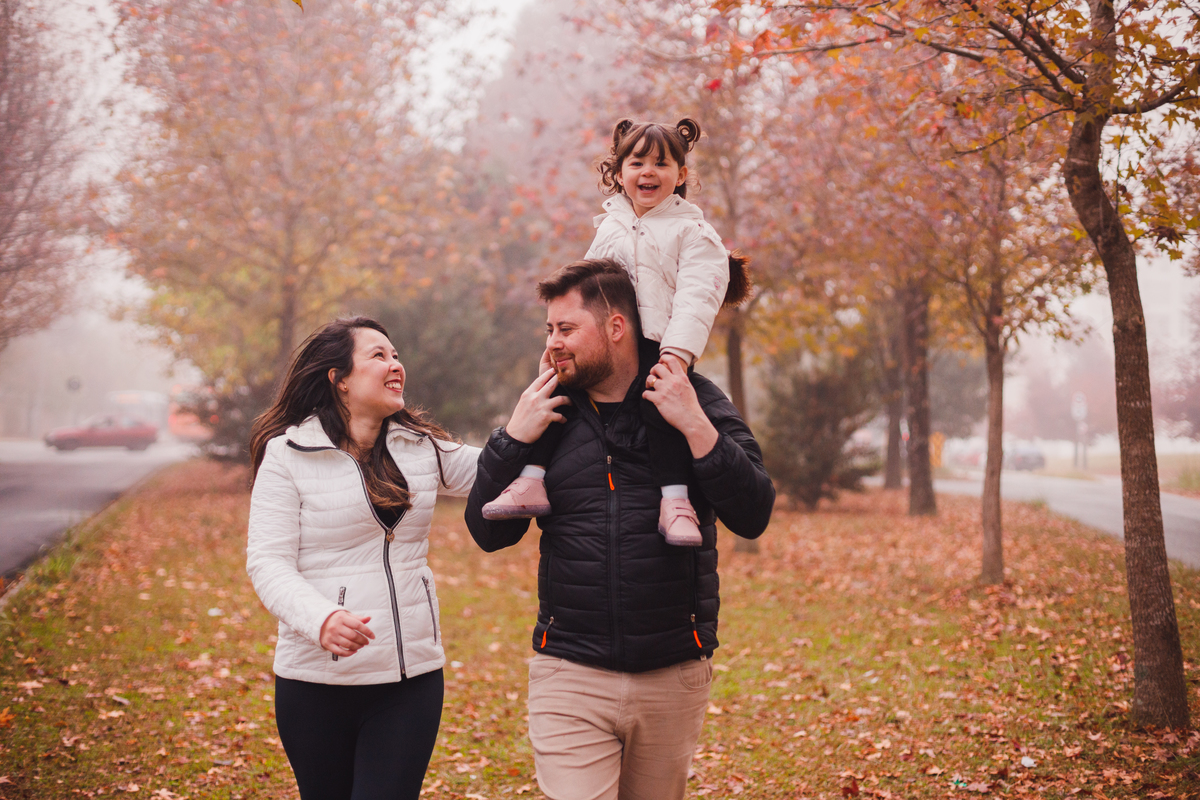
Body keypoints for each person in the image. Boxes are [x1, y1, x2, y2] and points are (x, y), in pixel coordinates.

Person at [466, 260, 775, 800]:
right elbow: (487, 533)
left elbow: (754, 513)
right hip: (569, 673)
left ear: (615, 328)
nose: (553, 343)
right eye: (549, 330)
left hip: (672, 674)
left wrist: (693, 423)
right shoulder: (545, 412)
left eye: (566, 329)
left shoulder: (692, 395)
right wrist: (513, 437)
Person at [482, 118, 751, 547]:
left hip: (662, 347)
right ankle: (531, 479)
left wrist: (676, 357)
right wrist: (562, 341)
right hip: (610, 343)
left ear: (681, 175)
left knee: (658, 411)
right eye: (637, 161)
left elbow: (697, 299)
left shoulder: (694, 234)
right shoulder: (610, 226)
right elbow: (584, 289)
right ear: (619, 172)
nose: (648, 171)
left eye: (661, 164)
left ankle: (675, 501)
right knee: (559, 395)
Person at [246, 316, 480, 800]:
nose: (396, 365)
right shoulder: (288, 453)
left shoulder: (420, 447)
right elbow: (268, 562)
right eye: (379, 355)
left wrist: (538, 407)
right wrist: (322, 618)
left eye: (396, 355)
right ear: (340, 379)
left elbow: (496, 466)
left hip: (409, 679)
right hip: (314, 682)